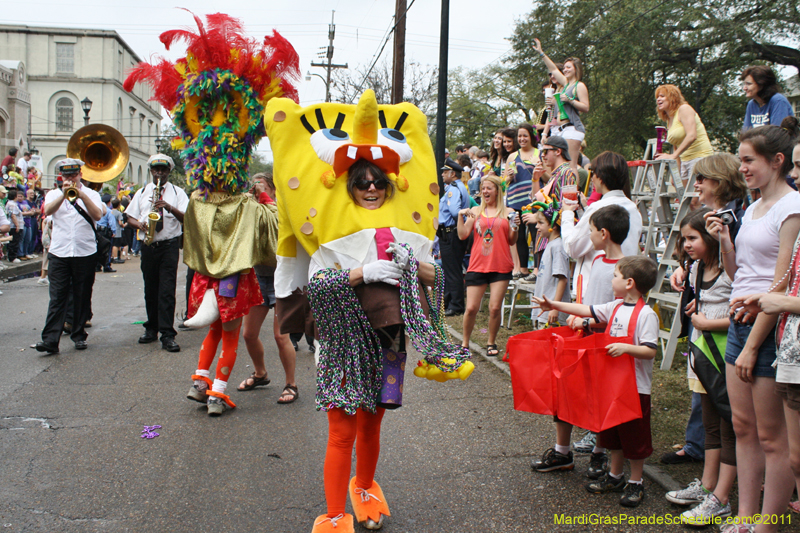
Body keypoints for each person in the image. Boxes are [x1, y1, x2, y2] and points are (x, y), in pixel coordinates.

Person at [712, 123, 800, 533]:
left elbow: (779, 285)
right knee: (742, 426)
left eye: (749, 160)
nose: (741, 167)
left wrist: (752, 347)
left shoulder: (791, 208)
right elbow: (741, 273)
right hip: (738, 322)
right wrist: (727, 243)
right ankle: (746, 517)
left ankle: (770, 523)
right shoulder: (753, 206)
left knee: (771, 436)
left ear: (776, 161)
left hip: (768, 329)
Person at [535, 255, 660, 508]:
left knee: (635, 439)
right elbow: (585, 310)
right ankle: (615, 476)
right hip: (612, 385)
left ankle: (636, 482)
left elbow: (650, 350)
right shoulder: (614, 307)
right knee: (612, 435)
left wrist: (625, 349)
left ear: (629, 283)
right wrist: (554, 305)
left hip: (636, 388)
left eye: (615, 275)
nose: (612, 278)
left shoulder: (647, 314)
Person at [531, 204, 629, 480]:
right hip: (581, 335)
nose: (588, 235)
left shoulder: (624, 267)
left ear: (604, 233)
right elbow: (584, 298)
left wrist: (589, 321)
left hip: (603, 341)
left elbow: (620, 310)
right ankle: (562, 451)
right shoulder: (595, 259)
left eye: (590, 230)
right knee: (566, 393)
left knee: (598, 399)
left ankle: (599, 451)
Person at [666, 208, 736, 526]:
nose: (687, 244)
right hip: (702, 355)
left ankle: (722, 495)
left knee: (728, 426)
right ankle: (707, 485)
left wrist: (708, 321)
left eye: (693, 238)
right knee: (709, 423)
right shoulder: (695, 268)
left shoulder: (728, 270)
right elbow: (700, 299)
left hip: (722, 353)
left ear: (709, 236)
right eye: (684, 238)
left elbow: (741, 312)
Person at [237, 172, 298, 404]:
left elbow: (276, 227)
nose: (255, 190)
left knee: (281, 336)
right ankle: (260, 373)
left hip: (281, 278)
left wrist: (265, 198)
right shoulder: (249, 209)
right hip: (257, 277)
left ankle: (291, 384)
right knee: (249, 334)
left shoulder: (280, 208)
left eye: (260, 187)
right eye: (252, 187)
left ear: (273, 190)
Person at [35, 159, 103, 354]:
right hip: (59, 251)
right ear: (61, 177)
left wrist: (80, 195)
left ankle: (79, 335)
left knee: (82, 295)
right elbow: (47, 211)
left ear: (80, 174)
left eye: (73, 175)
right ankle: (50, 340)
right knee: (57, 297)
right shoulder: (53, 194)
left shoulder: (91, 194)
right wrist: (64, 196)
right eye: (66, 176)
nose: (69, 179)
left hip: (84, 251)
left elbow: (97, 215)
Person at [125, 154, 189, 352]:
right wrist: (140, 224)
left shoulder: (178, 193)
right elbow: (129, 217)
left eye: (163, 170)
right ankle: (151, 328)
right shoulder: (143, 192)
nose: (159, 173)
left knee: (167, 290)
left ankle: (167, 334)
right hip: (148, 244)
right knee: (150, 289)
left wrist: (168, 207)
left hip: (169, 245)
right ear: (151, 171)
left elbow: (187, 217)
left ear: (169, 171)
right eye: (156, 170)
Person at [458, 174, 518, 356]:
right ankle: (465, 343)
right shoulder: (475, 211)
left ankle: (491, 342)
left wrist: (515, 227)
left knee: (494, 308)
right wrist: (460, 216)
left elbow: (512, 241)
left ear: (497, 191)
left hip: (501, 265)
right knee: (471, 308)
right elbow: (462, 235)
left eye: (489, 188)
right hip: (477, 264)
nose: (485, 191)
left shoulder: (509, 212)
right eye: (483, 188)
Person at [532, 38, 590, 170]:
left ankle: (572, 190)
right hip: (561, 129)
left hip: (572, 128)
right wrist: (541, 53)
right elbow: (552, 68)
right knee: (561, 165)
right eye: (564, 68)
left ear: (576, 69)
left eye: (568, 67)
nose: (565, 70)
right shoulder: (564, 84)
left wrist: (570, 100)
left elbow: (586, 107)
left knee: (571, 164)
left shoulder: (578, 86)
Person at [654, 84, 714, 188]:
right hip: (684, 161)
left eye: (662, 96)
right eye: (657, 97)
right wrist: (675, 173)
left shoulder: (684, 109)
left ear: (672, 97)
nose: (659, 99)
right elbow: (675, 145)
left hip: (699, 158)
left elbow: (692, 135)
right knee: (687, 201)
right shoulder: (670, 119)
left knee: (695, 200)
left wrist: (673, 155)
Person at [505, 124, 539, 281]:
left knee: (535, 231)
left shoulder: (539, 154)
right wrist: (509, 177)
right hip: (514, 200)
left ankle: (537, 268)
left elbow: (546, 177)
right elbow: (505, 182)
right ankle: (523, 269)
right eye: (519, 136)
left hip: (532, 201)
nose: (522, 139)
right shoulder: (512, 156)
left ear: (531, 136)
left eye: (525, 135)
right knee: (519, 236)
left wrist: (537, 171)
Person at [437, 157, 469, 316]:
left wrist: (458, 227)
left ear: (453, 174)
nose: (443, 175)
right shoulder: (460, 187)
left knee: (452, 270)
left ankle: (456, 305)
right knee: (452, 268)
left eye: (445, 172)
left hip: (450, 232)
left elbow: (456, 212)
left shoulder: (453, 189)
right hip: (453, 232)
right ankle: (450, 302)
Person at [530, 199, 569, 328]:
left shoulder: (557, 247)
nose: (536, 227)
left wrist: (555, 307)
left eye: (541, 223)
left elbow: (562, 279)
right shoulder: (550, 245)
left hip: (551, 315)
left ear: (554, 225)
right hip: (544, 312)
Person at [741, 65, 794, 131]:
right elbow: (745, 134)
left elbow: (777, 134)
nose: (744, 88)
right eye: (744, 84)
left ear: (761, 84)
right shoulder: (751, 104)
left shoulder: (778, 101)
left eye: (748, 84)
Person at [4, 189, 23, 263]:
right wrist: (17, 225)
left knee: (15, 241)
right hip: (13, 226)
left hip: (14, 226)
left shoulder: (12, 203)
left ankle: (12, 256)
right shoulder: (12, 204)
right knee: (14, 242)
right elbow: (13, 215)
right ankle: (12, 257)